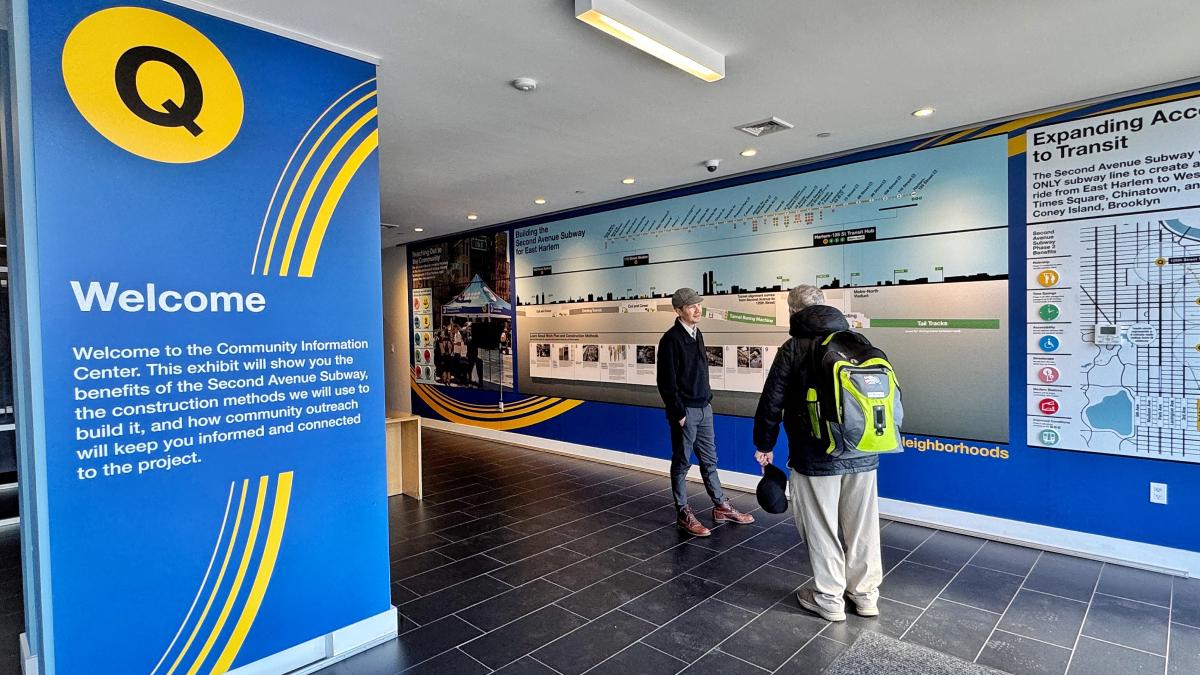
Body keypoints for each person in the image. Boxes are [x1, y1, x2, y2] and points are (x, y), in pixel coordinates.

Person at [752, 284, 883, 623]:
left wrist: (764, 445)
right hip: (864, 451)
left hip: (816, 455)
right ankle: (866, 595)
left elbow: (771, 402)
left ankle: (829, 598)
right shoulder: (856, 341)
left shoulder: (794, 347)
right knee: (862, 526)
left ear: (792, 311)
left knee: (821, 526)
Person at [657, 287, 755, 537]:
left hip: (704, 408)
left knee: (710, 461)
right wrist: (679, 413)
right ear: (678, 310)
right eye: (691, 306)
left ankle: (721, 506)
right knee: (681, 463)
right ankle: (683, 512)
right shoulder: (670, 339)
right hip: (686, 412)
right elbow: (666, 382)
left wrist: (707, 400)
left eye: (698, 304)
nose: (697, 309)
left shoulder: (697, 333)